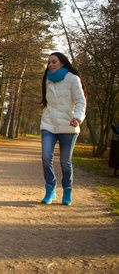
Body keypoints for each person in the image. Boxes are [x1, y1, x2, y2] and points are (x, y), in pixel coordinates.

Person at [40, 52, 86, 205]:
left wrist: (77, 117)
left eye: (54, 62)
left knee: (65, 162)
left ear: (62, 63)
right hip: (49, 123)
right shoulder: (48, 79)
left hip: (68, 124)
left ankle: (67, 189)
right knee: (46, 157)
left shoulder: (73, 79)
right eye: (49, 62)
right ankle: (50, 189)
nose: (50, 65)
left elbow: (80, 101)